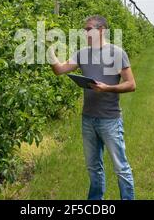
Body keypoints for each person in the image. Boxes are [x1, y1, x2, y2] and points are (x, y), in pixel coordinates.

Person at [49, 15, 136, 200]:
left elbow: (131, 84)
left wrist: (108, 88)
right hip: (88, 119)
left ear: (101, 30)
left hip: (110, 119)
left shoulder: (117, 53)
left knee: (121, 168)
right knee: (93, 167)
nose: (85, 32)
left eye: (88, 29)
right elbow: (59, 70)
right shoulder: (82, 54)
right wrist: (49, 53)